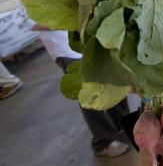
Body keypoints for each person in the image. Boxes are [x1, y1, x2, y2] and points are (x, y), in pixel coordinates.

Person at [32, 25, 130, 158]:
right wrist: (78, 20)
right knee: (88, 93)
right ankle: (103, 142)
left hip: (95, 38)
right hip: (66, 48)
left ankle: (121, 123)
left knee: (113, 78)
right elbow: (32, 23)